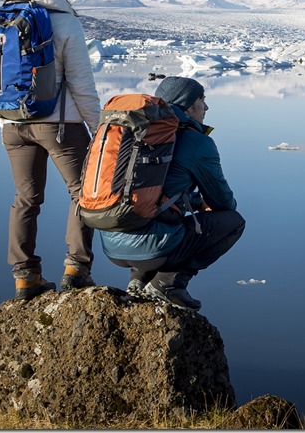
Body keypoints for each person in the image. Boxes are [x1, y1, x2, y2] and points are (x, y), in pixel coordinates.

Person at [0, 0, 102, 300]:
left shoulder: (5, 16)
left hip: (13, 124)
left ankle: (25, 277)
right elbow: (82, 86)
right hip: (60, 125)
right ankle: (76, 268)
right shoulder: (64, 20)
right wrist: (100, 129)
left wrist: (6, 119)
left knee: (25, 199)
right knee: (83, 193)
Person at [100, 76, 245, 311]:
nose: (206, 107)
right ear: (187, 103)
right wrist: (207, 203)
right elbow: (223, 202)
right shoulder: (197, 142)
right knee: (233, 222)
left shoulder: (134, 132)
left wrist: (195, 202)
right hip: (152, 251)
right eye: (202, 99)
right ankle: (166, 285)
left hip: (111, 246)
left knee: (151, 211)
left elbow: (152, 192)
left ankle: (137, 282)